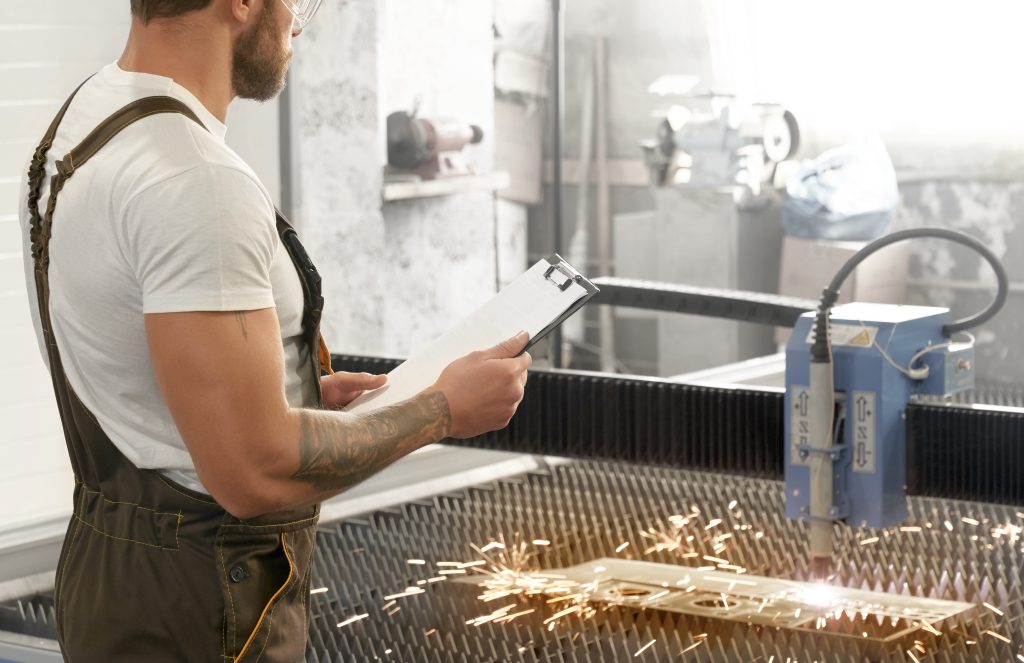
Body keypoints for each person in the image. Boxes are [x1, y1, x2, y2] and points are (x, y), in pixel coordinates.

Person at [18, 1, 531, 660]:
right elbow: (251, 470)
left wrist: (277, 386)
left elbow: (129, 359)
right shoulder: (195, 181)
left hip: (111, 573)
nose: (298, 20)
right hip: (204, 599)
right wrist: (443, 410)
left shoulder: (87, 120)